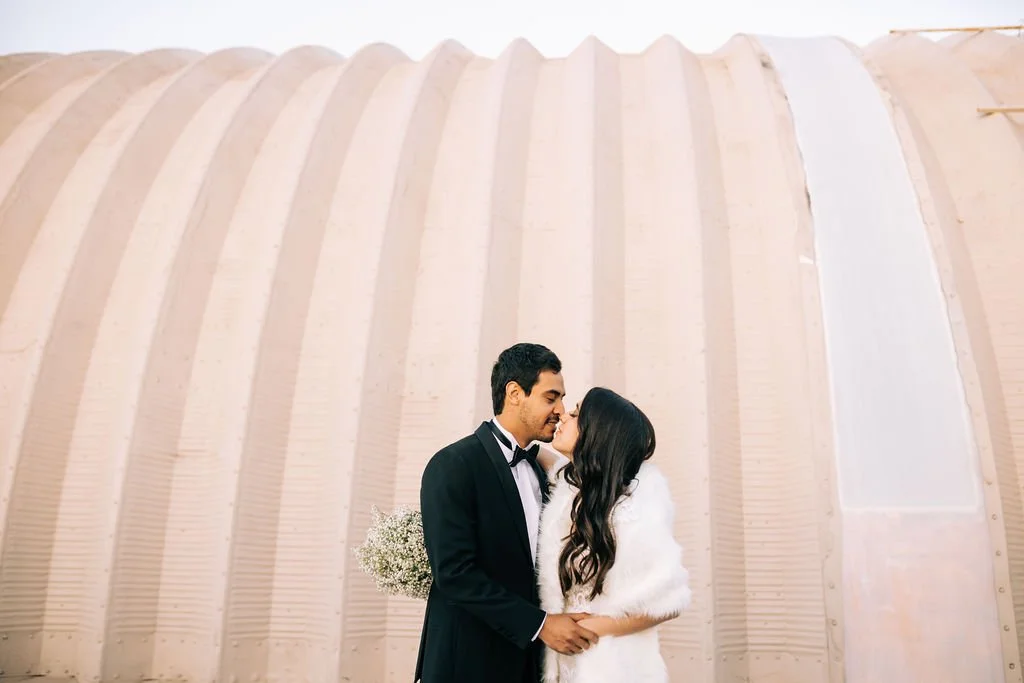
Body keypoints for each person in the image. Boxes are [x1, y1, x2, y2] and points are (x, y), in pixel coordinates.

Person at [415, 343, 600, 683]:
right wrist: (540, 625)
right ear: (515, 393)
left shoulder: (545, 471)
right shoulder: (453, 465)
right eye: (550, 397)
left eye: (562, 399)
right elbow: (454, 574)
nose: (560, 410)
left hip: (530, 666)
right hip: (467, 663)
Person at [534, 387, 692, 683]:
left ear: (598, 433)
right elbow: (538, 455)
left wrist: (589, 628)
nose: (564, 416)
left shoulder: (631, 510)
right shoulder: (572, 492)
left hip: (610, 663)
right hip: (563, 661)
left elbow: (668, 602)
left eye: (576, 414)